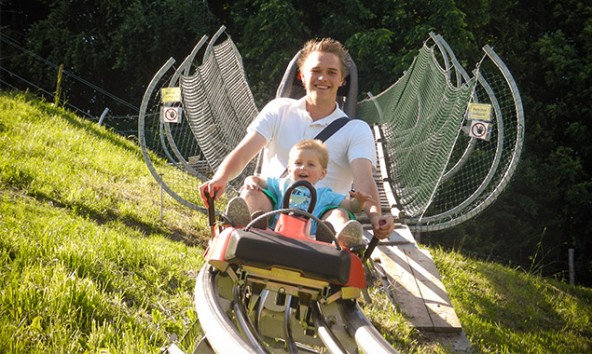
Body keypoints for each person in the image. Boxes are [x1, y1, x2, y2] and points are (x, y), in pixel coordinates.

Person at [199, 37, 394, 240]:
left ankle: (333, 236)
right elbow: (243, 153)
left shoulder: (356, 130)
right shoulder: (279, 109)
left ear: (342, 80)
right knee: (251, 195)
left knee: (339, 214)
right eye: (316, 71)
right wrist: (220, 178)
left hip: (322, 210)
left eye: (331, 72)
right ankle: (248, 229)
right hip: (275, 201)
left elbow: (364, 178)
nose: (322, 78)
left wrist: (376, 216)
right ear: (302, 76)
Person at [243, 139, 375, 247]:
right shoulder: (282, 184)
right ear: (289, 169)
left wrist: (359, 201)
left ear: (322, 173)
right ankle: (247, 220)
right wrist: (250, 180)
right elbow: (258, 180)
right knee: (253, 193)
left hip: (313, 237)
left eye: (311, 165)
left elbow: (352, 207)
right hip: (273, 228)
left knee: (339, 213)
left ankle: (341, 237)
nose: (303, 167)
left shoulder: (324, 194)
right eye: (298, 163)